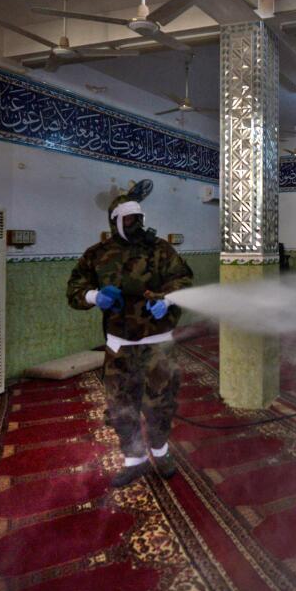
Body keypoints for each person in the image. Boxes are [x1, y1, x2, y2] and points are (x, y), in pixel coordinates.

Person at [67, 190, 194, 487]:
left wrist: (167, 299)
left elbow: (184, 279)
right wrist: (95, 295)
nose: (136, 224)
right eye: (129, 219)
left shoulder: (161, 250)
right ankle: (134, 459)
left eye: (139, 218)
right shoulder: (97, 255)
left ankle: (161, 453)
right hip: (120, 345)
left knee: (160, 403)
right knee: (120, 403)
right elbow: (74, 290)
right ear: (115, 221)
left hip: (157, 342)